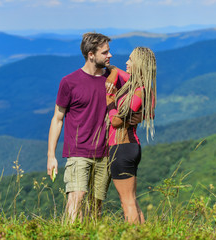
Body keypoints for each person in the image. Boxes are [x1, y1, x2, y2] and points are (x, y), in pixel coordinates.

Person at [47, 32, 113, 223]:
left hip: (105, 153)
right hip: (78, 152)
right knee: (76, 199)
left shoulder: (112, 78)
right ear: (91, 54)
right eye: (105, 52)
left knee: (96, 207)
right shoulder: (69, 82)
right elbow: (57, 119)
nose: (110, 55)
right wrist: (51, 156)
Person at [105, 47, 157, 224]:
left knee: (126, 202)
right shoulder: (138, 85)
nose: (126, 63)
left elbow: (116, 122)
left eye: (130, 60)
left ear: (139, 65)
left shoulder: (139, 90)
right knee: (132, 201)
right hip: (130, 147)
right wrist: (112, 74)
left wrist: (110, 100)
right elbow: (114, 69)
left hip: (121, 148)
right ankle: (144, 234)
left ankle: (133, 235)